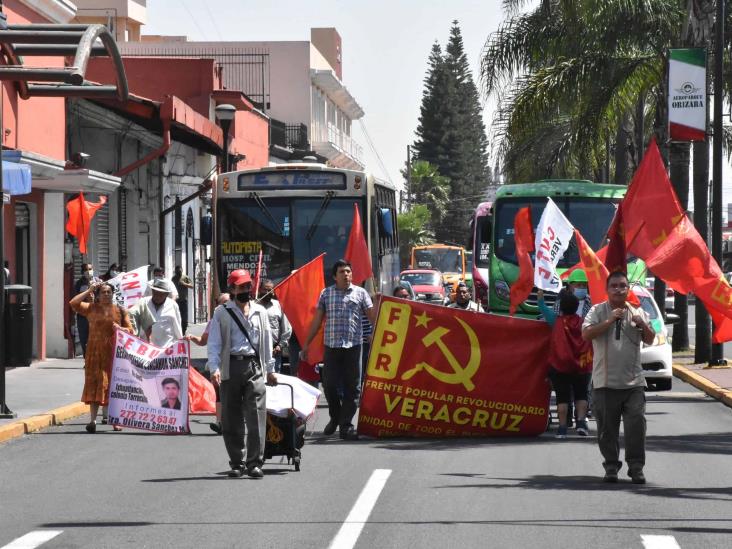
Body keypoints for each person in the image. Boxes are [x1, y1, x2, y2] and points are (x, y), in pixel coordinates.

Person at [582, 271, 655, 484]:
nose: (618, 289)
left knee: (636, 427)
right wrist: (609, 320)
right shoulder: (597, 311)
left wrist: (643, 324)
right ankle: (611, 466)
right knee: (607, 431)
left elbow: (650, 340)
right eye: (614, 285)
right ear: (607, 289)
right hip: (605, 382)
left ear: (627, 289)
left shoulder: (638, 312)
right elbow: (586, 334)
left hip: (634, 383)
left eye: (622, 285)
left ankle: (636, 468)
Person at [207, 269, 277, 479]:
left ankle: (254, 462)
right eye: (241, 286)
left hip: (254, 367)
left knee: (256, 414)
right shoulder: (222, 312)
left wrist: (270, 370)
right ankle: (237, 462)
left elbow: (266, 342)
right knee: (231, 417)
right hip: (231, 366)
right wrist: (215, 368)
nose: (246, 289)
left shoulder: (260, 311)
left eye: (248, 285)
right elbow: (214, 343)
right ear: (232, 288)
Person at [301, 259, 376, 441]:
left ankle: (345, 425)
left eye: (348, 271)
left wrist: (377, 334)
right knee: (330, 385)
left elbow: (373, 317)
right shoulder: (326, 294)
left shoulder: (361, 293)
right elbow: (317, 320)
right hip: (332, 346)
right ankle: (335, 417)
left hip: (354, 346)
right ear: (335, 276)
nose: (346, 275)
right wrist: (307, 344)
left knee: (353, 388)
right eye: (342, 272)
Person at [69, 281, 134, 433]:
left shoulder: (120, 310)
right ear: (97, 295)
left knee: (112, 386)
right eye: (103, 292)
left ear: (113, 294)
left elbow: (131, 331)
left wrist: (121, 328)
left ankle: (115, 420)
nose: (106, 294)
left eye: (108, 292)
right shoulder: (91, 308)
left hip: (112, 354)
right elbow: (73, 303)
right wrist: (89, 290)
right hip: (93, 353)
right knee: (94, 384)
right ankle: (92, 421)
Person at [538, 290, 593, 438]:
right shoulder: (584, 322)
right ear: (577, 307)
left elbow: (542, 307)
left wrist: (541, 298)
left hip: (560, 366)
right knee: (582, 395)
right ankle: (581, 423)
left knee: (562, 398)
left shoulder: (555, 320)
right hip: (582, 366)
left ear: (560, 307)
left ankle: (562, 429)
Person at [187, 293, 230, 434]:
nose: (223, 306)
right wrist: (192, 337)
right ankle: (220, 422)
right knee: (219, 391)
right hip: (218, 362)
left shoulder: (240, 318)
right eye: (221, 303)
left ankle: (233, 421)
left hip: (234, 362)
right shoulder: (213, 322)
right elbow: (203, 341)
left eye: (226, 303)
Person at [257, 279, 292, 373]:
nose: (268, 292)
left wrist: (280, 345)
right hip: (256, 352)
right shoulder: (253, 305)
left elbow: (287, 328)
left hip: (274, 352)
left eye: (270, 290)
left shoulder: (278, 305)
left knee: (274, 380)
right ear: (259, 290)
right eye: (265, 290)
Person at [142, 278, 183, 348]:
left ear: (166, 294)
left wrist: (181, 343)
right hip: (146, 349)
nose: (157, 297)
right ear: (152, 291)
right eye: (155, 293)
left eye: (161, 294)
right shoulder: (143, 303)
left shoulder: (173, 305)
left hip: (166, 350)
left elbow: (177, 327)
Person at [73, 263, 101, 357]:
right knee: (84, 338)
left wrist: (96, 291)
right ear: (82, 272)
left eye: (90, 269)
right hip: (83, 314)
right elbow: (75, 298)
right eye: (86, 270)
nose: (88, 272)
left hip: (96, 314)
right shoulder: (79, 284)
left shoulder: (98, 281)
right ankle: (86, 357)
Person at [172, 265, 194, 335]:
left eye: (180, 271)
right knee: (177, 317)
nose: (179, 272)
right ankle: (178, 331)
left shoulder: (185, 277)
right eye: (177, 271)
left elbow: (192, 286)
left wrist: (184, 284)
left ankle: (184, 330)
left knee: (184, 318)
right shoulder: (173, 278)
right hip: (176, 301)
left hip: (183, 300)